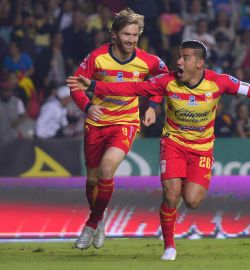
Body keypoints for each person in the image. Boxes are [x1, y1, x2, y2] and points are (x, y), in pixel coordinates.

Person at [67, 40, 250, 260]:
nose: (178, 61)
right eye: (179, 56)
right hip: (173, 144)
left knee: (193, 201)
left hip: (201, 150)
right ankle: (169, 246)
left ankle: (187, 186)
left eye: (185, 58)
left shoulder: (219, 82)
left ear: (199, 63)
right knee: (171, 195)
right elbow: (130, 88)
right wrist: (93, 86)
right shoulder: (166, 82)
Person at [69, 8, 168, 250]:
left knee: (106, 169)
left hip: (125, 122)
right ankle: (99, 218)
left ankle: (91, 224)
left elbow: (165, 81)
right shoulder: (97, 57)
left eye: (135, 35)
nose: (131, 40)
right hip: (96, 124)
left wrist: (154, 107)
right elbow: (75, 85)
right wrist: (88, 105)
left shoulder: (148, 60)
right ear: (114, 34)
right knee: (92, 180)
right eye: (126, 34)